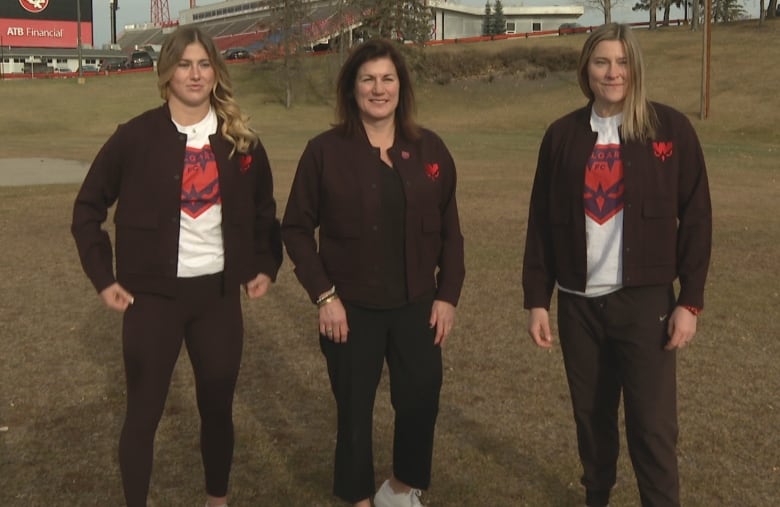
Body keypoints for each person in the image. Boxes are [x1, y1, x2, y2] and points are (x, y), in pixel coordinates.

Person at [71, 26, 283, 507]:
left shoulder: (241, 141)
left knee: (217, 408)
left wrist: (265, 265)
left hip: (217, 300)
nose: (195, 74)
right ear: (166, 71)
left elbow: (266, 213)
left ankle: (217, 499)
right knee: (143, 415)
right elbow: (87, 211)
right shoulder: (135, 137)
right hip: (152, 301)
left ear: (216, 72)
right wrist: (104, 277)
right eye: (184, 64)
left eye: (204, 64)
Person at [522, 23, 711, 507]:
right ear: (587, 68)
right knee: (591, 420)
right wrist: (537, 300)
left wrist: (689, 301)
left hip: (645, 304)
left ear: (636, 68)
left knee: (653, 427)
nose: (613, 72)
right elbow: (541, 222)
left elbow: (696, 218)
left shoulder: (670, 131)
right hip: (579, 306)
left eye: (623, 62)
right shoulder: (562, 135)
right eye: (602, 61)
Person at [281, 38, 465, 507]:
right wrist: (324, 296)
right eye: (368, 79)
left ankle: (402, 489)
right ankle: (358, 498)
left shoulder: (431, 150)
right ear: (352, 88)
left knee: (421, 399)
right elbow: (297, 229)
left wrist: (447, 296)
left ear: (401, 87)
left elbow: (451, 232)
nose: (378, 88)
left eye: (387, 79)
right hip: (349, 310)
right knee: (355, 413)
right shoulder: (324, 152)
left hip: (417, 305)